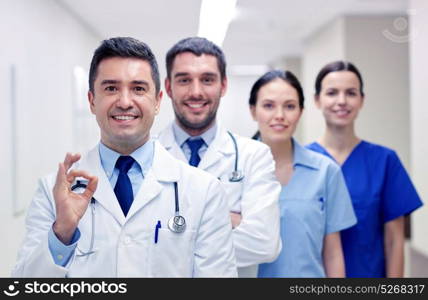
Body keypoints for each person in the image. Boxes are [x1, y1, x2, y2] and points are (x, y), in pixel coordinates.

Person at [12, 37, 237, 277]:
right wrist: (62, 233)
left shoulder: (204, 191)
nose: (125, 102)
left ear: (158, 101)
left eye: (138, 89)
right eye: (111, 88)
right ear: (91, 101)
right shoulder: (52, 192)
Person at [156, 37, 281, 277]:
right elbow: (134, 244)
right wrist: (222, 221)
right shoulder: (145, 156)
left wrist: (171, 234)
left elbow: (264, 244)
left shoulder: (254, 155)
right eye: (184, 80)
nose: (196, 91)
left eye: (207, 79)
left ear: (223, 86)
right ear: (169, 87)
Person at [307, 60, 423, 278]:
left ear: (362, 100)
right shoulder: (302, 162)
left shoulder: (384, 161)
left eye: (350, 93)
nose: (341, 101)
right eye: (332, 93)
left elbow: (394, 240)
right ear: (317, 100)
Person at [248, 70, 356, 277]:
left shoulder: (326, 172)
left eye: (289, 106)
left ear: (300, 111)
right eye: (268, 106)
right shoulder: (233, 171)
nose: (279, 115)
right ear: (253, 111)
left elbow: (333, 253)